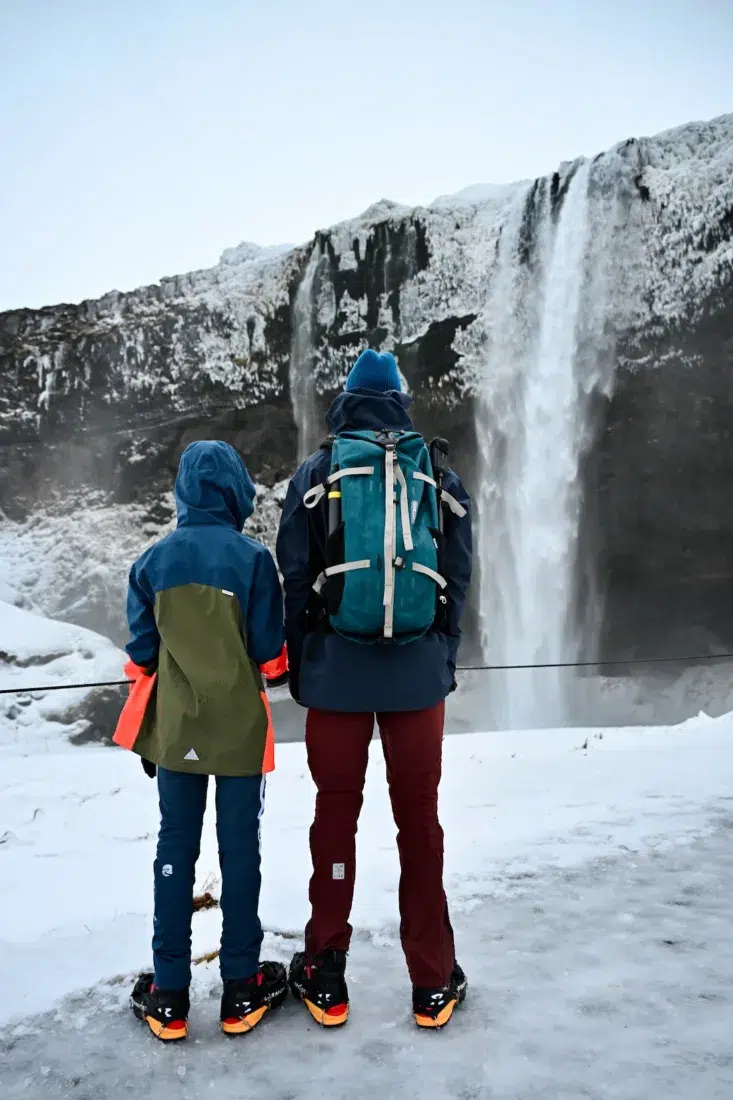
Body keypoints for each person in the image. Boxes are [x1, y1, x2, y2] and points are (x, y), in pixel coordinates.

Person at [276, 349, 473, 1030]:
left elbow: (293, 579)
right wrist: (441, 655)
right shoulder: (436, 470)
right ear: (400, 399)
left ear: (346, 400)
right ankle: (431, 979)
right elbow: (458, 575)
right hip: (417, 678)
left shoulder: (317, 471)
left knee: (335, 818)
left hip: (335, 676)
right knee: (417, 823)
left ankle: (325, 972)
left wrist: (309, 667)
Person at [115, 440, 288, 1042]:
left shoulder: (151, 562)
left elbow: (141, 655)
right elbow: (271, 658)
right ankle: (241, 988)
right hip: (239, 735)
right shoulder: (253, 560)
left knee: (175, 850)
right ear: (236, 487)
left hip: (176, 735)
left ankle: (169, 996)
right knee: (240, 851)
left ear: (184, 490)